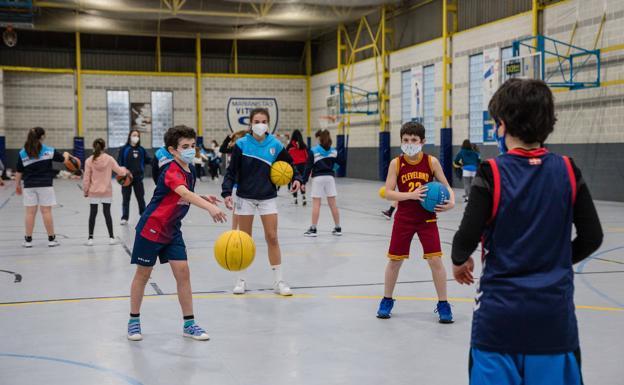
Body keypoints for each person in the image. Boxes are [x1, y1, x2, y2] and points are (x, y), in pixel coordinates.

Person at [452, 79, 603, 385]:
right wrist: (557, 259)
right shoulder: (568, 170)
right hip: (553, 320)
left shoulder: (491, 173)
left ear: (502, 125)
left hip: (499, 320)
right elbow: (592, 236)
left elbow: (465, 238)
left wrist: (459, 261)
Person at [128, 125, 227, 342]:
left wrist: (203, 197)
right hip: (152, 229)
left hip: (172, 230)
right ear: (173, 150)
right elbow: (182, 192)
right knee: (143, 275)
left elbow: (184, 193)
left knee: (183, 272)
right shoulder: (171, 170)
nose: (191, 149)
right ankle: (134, 321)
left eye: (193, 145)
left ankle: (189, 324)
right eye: (185, 147)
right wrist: (209, 208)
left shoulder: (188, 170)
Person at [376, 121, 455, 322]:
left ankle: (443, 304)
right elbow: (388, 192)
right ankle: (386, 300)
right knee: (395, 260)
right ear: (401, 141)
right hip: (404, 218)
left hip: (427, 218)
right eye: (405, 140)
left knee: (435, 260)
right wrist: (411, 195)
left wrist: (450, 203)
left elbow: (448, 187)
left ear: (422, 141)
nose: (409, 143)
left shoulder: (431, 162)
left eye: (413, 140)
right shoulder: (397, 163)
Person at [222, 108, 302, 296]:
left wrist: (296, 178)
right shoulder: (241, 144)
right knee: (244, 240)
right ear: (250, 123)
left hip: (267, 197)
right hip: (245, 197)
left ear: (268, 123)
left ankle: (279, 281)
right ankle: (241, 280)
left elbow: (290, 164)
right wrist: (226, 192)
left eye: (263, 121)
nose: (260, 124)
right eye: (256, 121)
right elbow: (231, 171)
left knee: (272, 237)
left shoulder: (275, 144)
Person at [15, 127, 75, 248]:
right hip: (45, 185)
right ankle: (51, 240)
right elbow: (65, 160)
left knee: (30, 213)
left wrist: (17, 185)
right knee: (46, 212)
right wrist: (67, 154)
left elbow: (18, 171)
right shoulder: (49, 150)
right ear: (42, 137)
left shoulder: (22, 153)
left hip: (29, 186)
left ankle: (28, 241)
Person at [83, 138, 129, 246]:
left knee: (92, 214)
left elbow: (86, 178)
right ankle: (111, 238)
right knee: (107, 213)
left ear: (93, 147)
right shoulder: (109, 159)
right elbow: (120, 171)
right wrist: (125, 169)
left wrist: (86, 190)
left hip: (94, 191)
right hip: (106, 191)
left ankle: (90, 239)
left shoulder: (89, 160)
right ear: (104, 147)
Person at [303, 129, 343, 237]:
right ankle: (338, 228)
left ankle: (313, 229)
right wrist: (332, 169)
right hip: (330, 178)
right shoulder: (334, 151)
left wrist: (303, 181)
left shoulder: (313, 151)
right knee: (333, 204)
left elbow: (308, 167)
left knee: (316, 204)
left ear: (319, 138)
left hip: (318, 178)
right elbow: (341, 162)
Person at [118, 130, 151, 225]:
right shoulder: (124, 149)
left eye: (137, 135)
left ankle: (143, 215)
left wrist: (158, 161)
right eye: (134, 135)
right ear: (130, 136)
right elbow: (119, 163)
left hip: (138, 178)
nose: (135, 137)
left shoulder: (141, 150)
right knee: (125, 199)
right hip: (126, 178)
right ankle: (124, 217)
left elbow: (148, 160)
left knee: (140, 198)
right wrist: (124, 171)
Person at [286, 129, 309, 206]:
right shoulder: (304, 145)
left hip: (294, 166)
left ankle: (295, 199)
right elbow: (307, 156)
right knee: (302, 182)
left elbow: (286, 156)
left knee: (294, 182)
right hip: (303, 165)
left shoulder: (289, 146)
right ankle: (304, 197)